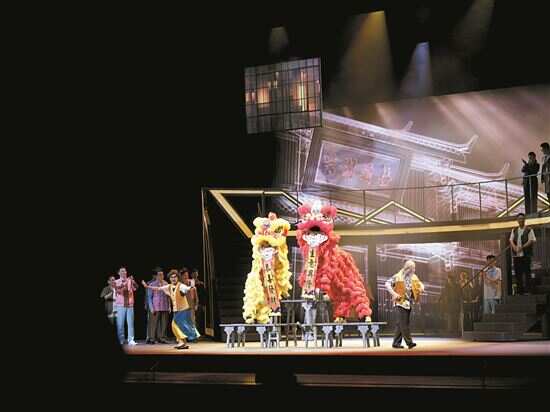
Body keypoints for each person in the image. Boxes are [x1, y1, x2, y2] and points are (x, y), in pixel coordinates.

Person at [142, 269, 199, 349]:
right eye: (172, 277)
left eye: (175, 277)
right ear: (169, 278)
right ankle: (183, 343)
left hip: (183, 309)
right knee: (178, 326)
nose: (173, 279)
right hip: (176, 310)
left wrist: (191, 287)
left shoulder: (181, 286)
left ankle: (182, 341)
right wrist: (147, 286)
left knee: (175, 325)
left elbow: (187, 288)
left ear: (177, 278)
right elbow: (158, 288)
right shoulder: (169, 286)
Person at [385, 260, 424, 349]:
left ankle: (396, 343)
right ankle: (409, 342)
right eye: (413, 268)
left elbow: (420, 284)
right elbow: (387, 284)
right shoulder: (398, 276)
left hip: (408, 302)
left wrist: (422, 288)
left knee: (400, 324)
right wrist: (394, 294)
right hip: (400, 302)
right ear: (408, 268)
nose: (414, 270)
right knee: (404, 323)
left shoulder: (413, 277)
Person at [509, 213, 537, 295]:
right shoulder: (514, 230)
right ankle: (520, 291)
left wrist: (522, 247)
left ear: (524, 220)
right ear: (517, 220)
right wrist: (514, 247)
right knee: (518, 273)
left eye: (522, 218)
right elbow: (511, 240)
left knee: (527, 273)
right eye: (519, 219)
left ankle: (528, 290)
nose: (521, 220)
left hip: (526, 255)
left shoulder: (529, 229)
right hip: (516, 255)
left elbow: (531, 240)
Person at [114, 267, 139, 345]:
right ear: (118, 273)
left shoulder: (130, 280)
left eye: (125, 271)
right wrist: (124, 284)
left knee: (130, 323)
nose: (124, 272)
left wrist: (133, 282)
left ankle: (131, 339)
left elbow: (136, 288)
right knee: (120, 323)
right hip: (120, 305)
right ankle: (121, 339)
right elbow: (118, 291)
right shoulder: (116, 282)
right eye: (122, 271)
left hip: (130, 305)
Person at [146, 267, 171, 344]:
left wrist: (169, 306)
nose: (161, 276)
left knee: (164, 323)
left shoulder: (166, 284)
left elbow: (169, 296)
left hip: (164, 306)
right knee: (153, 323)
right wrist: (151, 308)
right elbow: (149, 297)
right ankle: (152, 338)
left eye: (162, 275)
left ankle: (162, 338)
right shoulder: (152, 285)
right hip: (155, 307)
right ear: (156, 276)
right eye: (159, 275)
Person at [541, 142, 550, 206]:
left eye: (542, 149)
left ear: (546, 148)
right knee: (548, 194)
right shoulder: (544, 157)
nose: (542, 151)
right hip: (546, 178)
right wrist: (542, 177)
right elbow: (543, 168)